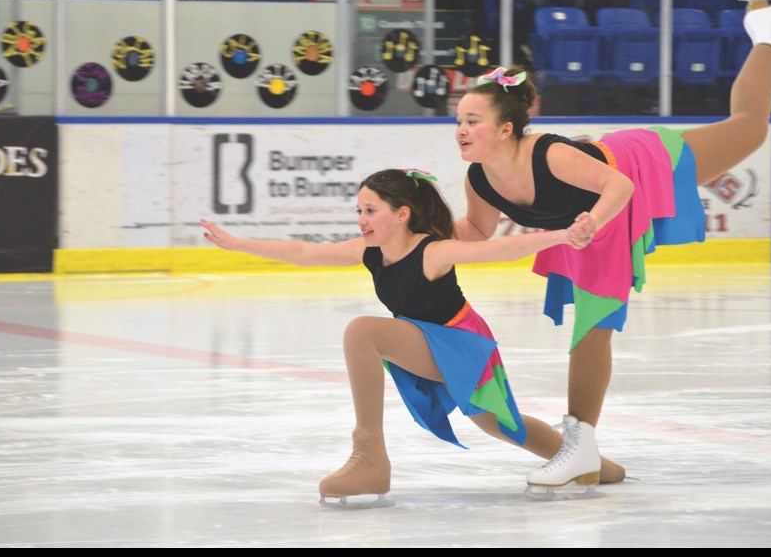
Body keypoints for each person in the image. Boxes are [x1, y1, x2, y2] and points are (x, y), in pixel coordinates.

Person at [452, 0, 771, 493]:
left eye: (471, 121)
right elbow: (476, 233)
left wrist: (591, 220)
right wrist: (414, 228)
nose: (460, 130)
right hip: (585, 225)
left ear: (505, 128)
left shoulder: (551, 155)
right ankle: (581, 445)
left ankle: (768, 36)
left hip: (631, 171)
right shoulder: (481, 180)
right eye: (458, 119)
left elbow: (619, 188)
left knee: (748, 130)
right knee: (593, 325)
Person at [200, 168, 626, 508]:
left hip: (460, 343)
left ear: (402, 213)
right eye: (359, 211)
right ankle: (596, 466)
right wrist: (238, 244)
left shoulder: (432, 250)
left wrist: (562, 237)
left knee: (368, 336)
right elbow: (304, 252)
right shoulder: (371, 252)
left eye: (371, 211)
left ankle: (370, 457)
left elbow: (499, 250)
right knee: (495, 421)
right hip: (427, 341)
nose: (362, 220)